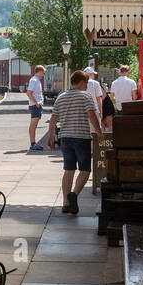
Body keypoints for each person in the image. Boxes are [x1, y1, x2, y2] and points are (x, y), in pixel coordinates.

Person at [45, 71, 102, 215]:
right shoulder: (85, 96)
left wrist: (50, 137)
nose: (86, 86)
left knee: (68, 170)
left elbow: (53, 119)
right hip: (81, 137)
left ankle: (65, 203)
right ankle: (74, 195)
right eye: (86, 83)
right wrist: (99, 132)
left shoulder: (61, 97)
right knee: (85, 170)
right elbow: (92, 115)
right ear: (82, 82)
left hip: (65, 138)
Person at [26, 65, 45, 149]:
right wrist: (36, 103)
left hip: (36, 105)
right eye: (43, 73)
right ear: (39, 71)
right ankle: (33, 144)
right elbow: (29, 93)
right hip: (35, 106)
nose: (43, 75)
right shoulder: (34, 80)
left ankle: (33, 143)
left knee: (34, 125)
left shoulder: (36, 80)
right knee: (33, 125)